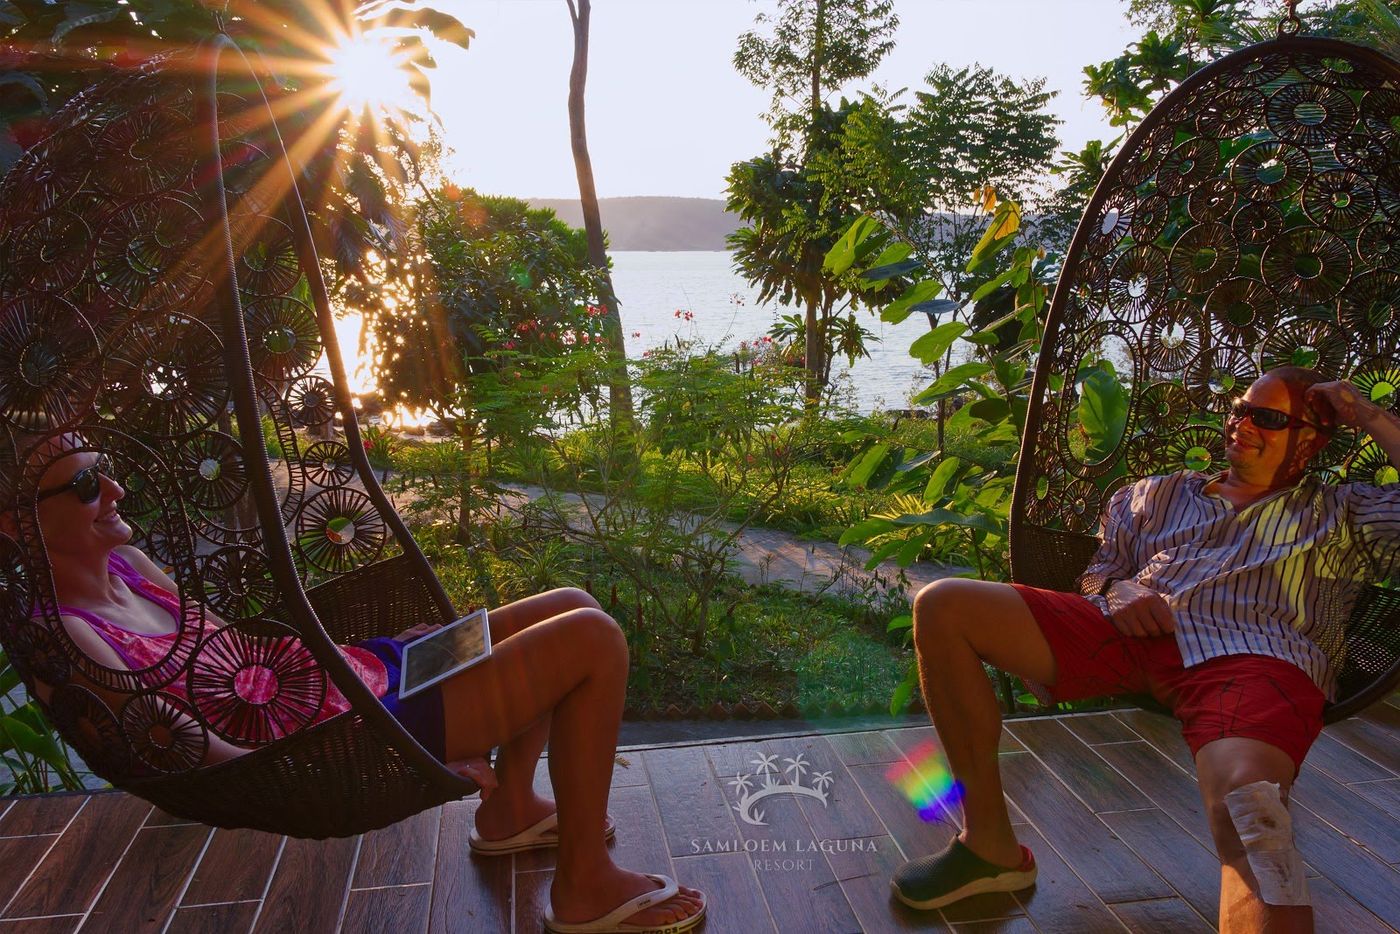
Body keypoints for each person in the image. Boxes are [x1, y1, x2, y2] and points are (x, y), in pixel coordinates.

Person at [14, 435, 706, 934]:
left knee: (569, 604)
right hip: (361, 731)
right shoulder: (73, 636)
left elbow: (240, 650)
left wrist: (382, 650)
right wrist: (399, 765)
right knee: (592, 641)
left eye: (106, 471)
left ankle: (512, 808)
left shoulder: (129, 566)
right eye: (86, 485)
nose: (115, 491)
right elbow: (197, 755)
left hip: (368, 675)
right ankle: (583, 886)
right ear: (16, 522)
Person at [890, 366, 1400, 934]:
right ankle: (988, 847)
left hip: (1253, 660)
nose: (1241, 424)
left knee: (1249, 810)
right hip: (1130, 631)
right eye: (1239, 408)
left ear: (1311, 441)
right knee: (943, 604)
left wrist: (1369, 415)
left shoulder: (1343, 514)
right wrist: (1119, 588)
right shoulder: (1159, 493)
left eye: (1267, 418)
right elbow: (1098, 572)